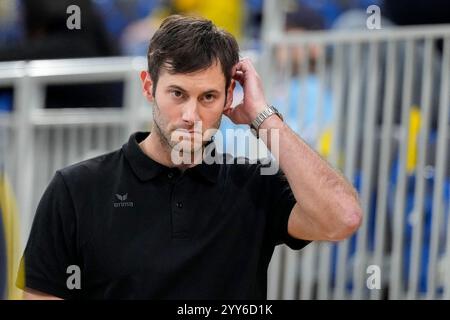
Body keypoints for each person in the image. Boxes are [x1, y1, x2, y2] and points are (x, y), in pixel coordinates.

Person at [17, 15, 362, 300]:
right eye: (177, 93)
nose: (190, 114)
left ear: (230, 96)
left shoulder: (253, 185)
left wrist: (263, 116)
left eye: (208, 97)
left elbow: (343, 217)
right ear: (149, 87)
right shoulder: (76, 188)